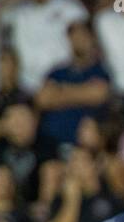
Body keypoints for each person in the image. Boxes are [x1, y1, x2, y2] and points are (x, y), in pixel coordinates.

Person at [36, 20, 112, 151]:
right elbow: (43, 100)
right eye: (73, 36)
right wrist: (83, 92)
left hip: (83, 146)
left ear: (92, 38)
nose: (78, 40)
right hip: (50, 143)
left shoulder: (100, 71)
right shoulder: (57, 72)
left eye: (82, 36)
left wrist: (60, 92)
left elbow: (97, 95)